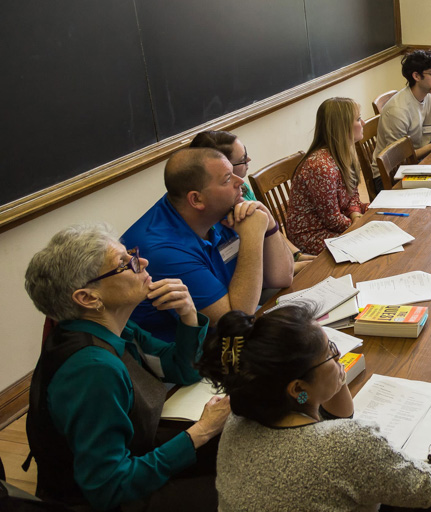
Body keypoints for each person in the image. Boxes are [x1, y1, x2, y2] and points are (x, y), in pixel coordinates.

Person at [197, 305, 431, 511]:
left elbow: (336, 416)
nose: (339, 357)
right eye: (330, 353)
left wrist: (329, 375)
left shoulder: (238, 422)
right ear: (297, 389)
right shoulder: (346, 443)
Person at [23, 225, 231, 511]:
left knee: (236, 442)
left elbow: (183, 370)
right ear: (88, 298)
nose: (142, 262)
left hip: (132, 459)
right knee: (240, 486)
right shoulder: (93, 369)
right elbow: (108, 487)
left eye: (133, 254)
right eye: (125, 263)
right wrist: (202, 431)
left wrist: (188, 316)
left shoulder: (116, 328)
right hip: (104, 500)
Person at [123, 149, 294, 341]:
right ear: (196, 199)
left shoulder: (217, 208)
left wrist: (268, 224)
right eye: (227, 179)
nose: (241, 184)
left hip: (238, 315)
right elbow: (235, 321)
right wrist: (252, 237)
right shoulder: (163, 252)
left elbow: (282, 278)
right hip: (200, 355)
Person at [189, 130, 314, 271]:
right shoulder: (210, 215)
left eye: (246, 153)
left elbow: (271, 232)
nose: (249, 160)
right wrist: (293, 267)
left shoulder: (244, 189)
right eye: (243, 159)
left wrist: (297, 256)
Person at [285, 98, 369, 256]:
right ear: (342, 127)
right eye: (358, 119)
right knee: (370, 245)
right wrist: (359, 225)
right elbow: (332, 220)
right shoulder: (320, 166)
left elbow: (352, 196)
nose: (363, 123)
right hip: (313, 235)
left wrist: (357, 216)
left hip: (338, 222)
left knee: (381, 216)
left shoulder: (345, 153)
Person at [374, 50, 431, 180]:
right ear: (416, 76)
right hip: (389, 174)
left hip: (416, 163)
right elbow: (397, 159)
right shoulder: (398, 110)